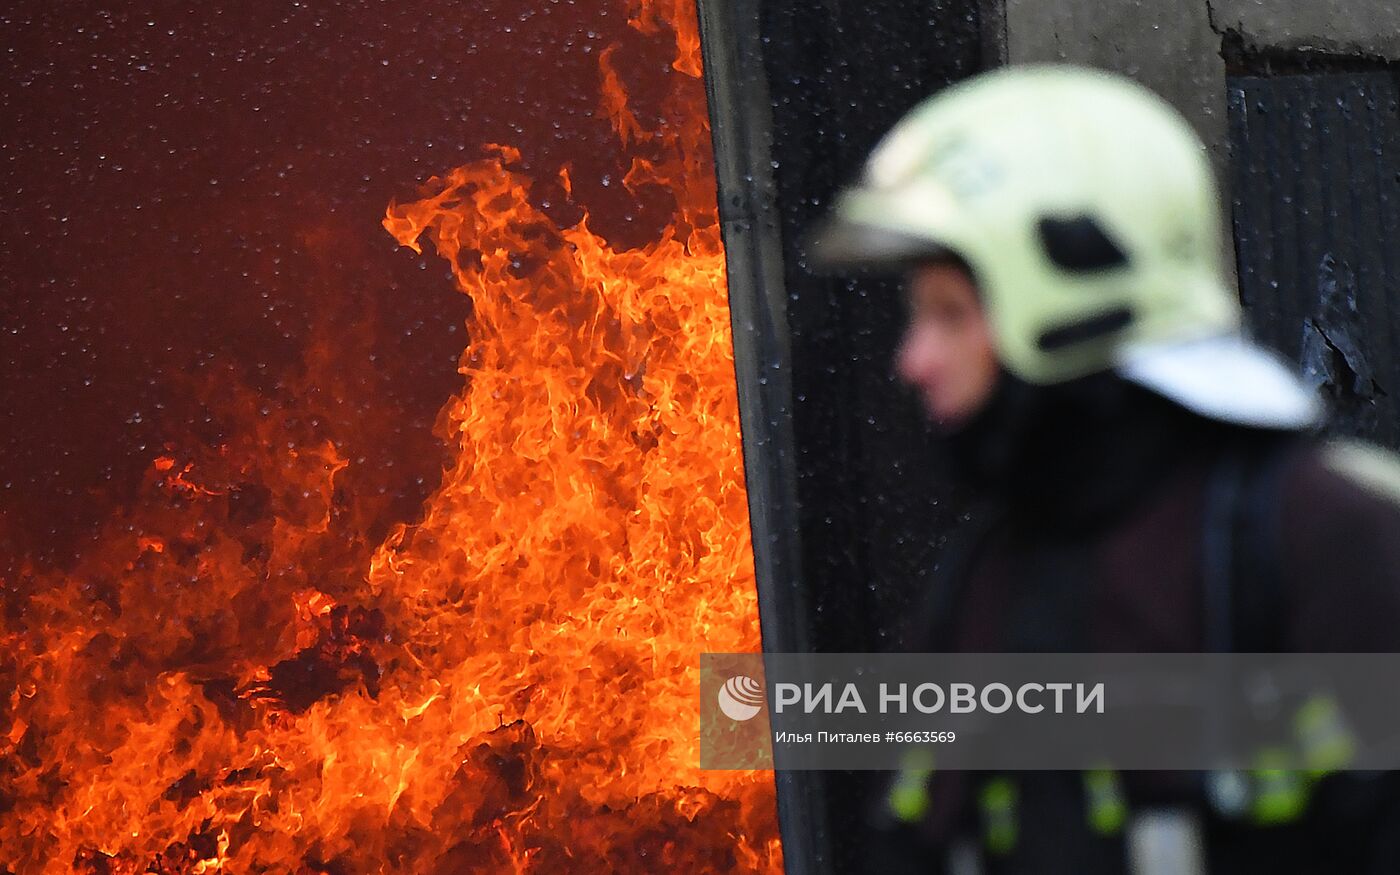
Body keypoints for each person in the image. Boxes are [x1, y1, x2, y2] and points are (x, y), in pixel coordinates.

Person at [811, 65, 1400, 874]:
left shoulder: (1331, 539)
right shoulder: (985, 573)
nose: (913, 360)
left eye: (950, 314)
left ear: (1068, 294)